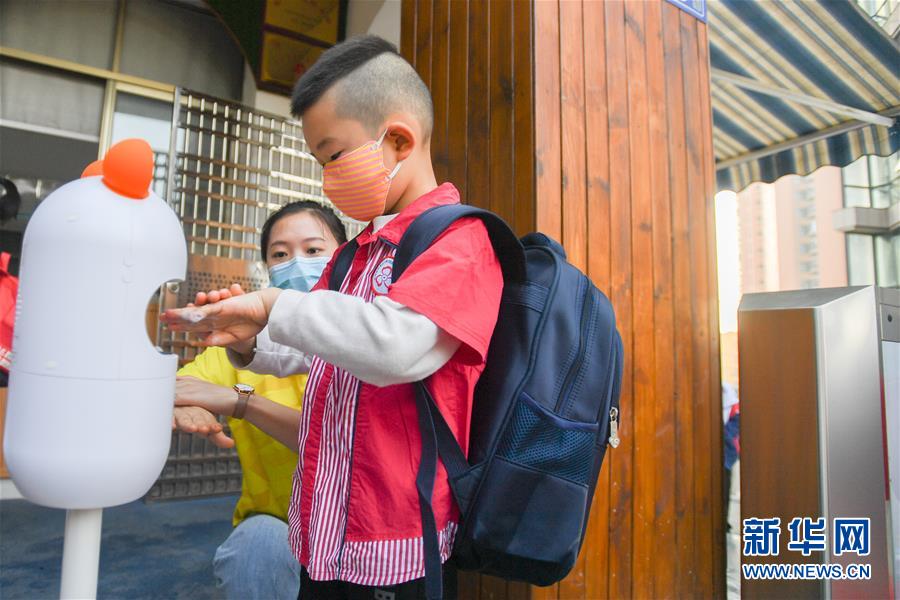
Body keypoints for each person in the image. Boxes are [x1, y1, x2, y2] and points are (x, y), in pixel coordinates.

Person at [162, 35, 504, 600]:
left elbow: (394, 347)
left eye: (334, 156)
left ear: (398, 140)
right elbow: (315, 346)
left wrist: (272, 305)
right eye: (320, 163)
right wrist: (250, 342)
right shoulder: (355, 254)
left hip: (396, 542)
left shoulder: (459, 242)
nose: (326, 179)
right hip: (324, 531)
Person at [172, 200, 346, 600]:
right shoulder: (241, 346)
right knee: (257, 545)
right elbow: (178, 387)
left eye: (313, 250)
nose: (296, 263)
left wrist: (238, 401)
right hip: (280, 527)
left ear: (343, 256)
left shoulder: (363, 338)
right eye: (280, 254)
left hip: (362, 533)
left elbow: (338, 444)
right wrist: (189, 403)